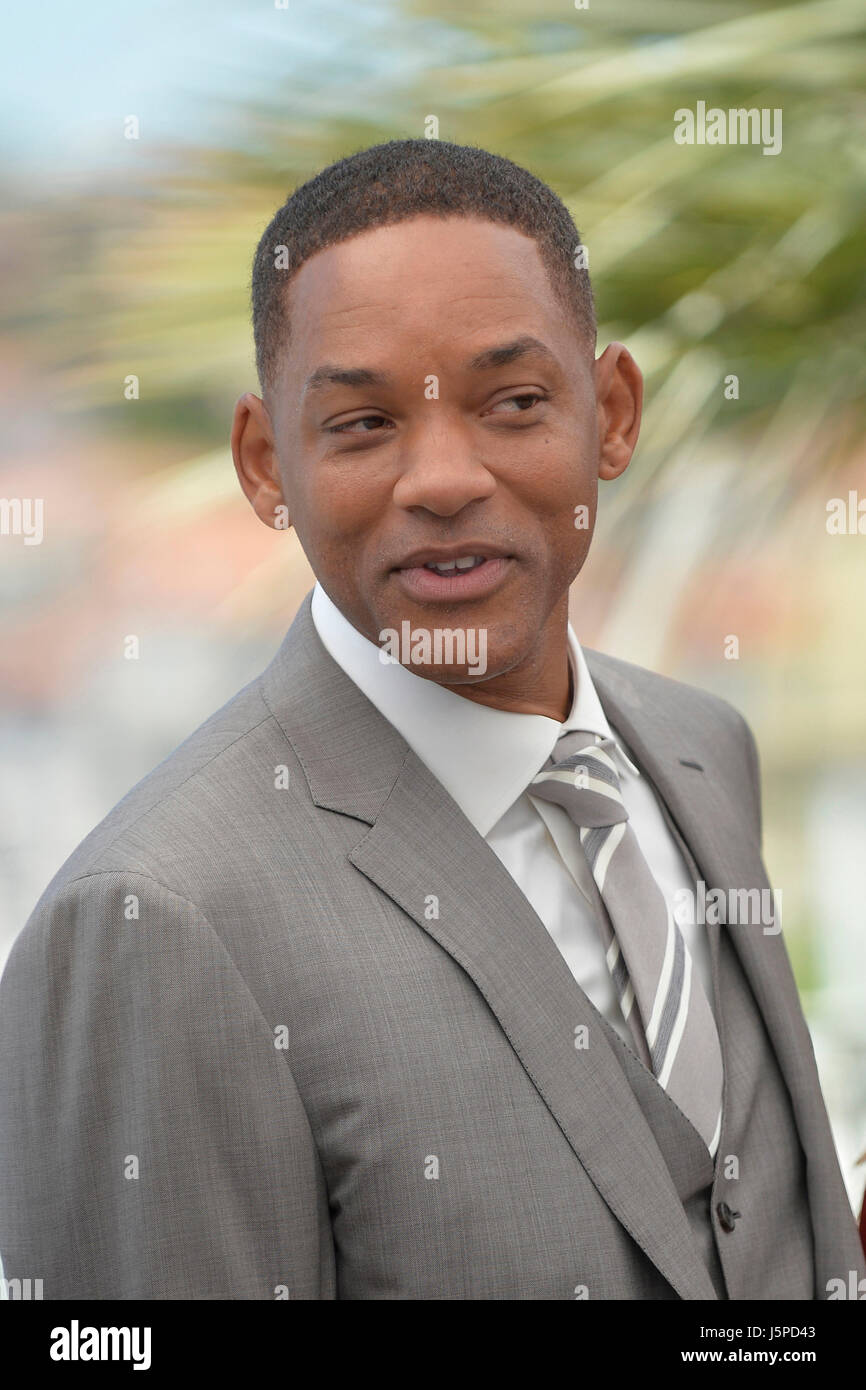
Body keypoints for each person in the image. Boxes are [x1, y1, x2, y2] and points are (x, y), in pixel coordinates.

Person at [1, 139, 862, 1300]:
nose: (442, 477)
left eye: (512, 400)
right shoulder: (157, 917)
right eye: (361, 424)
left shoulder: (702, 747)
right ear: (265, 464)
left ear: (609, 414)